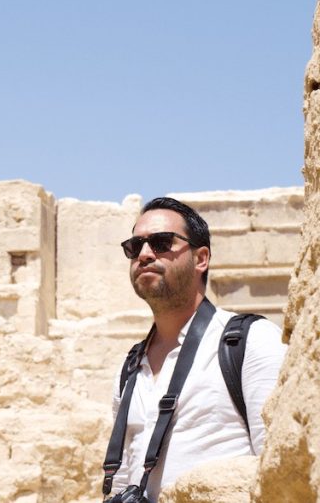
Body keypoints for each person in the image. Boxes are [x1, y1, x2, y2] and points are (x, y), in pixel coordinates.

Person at [104, 197, 286, 502]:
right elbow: (122, 477)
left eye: (161, 242)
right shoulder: (129, 369)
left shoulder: (250, 342)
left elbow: (282, 467)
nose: (145, 254)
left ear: (201, 259)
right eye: (135, 247)